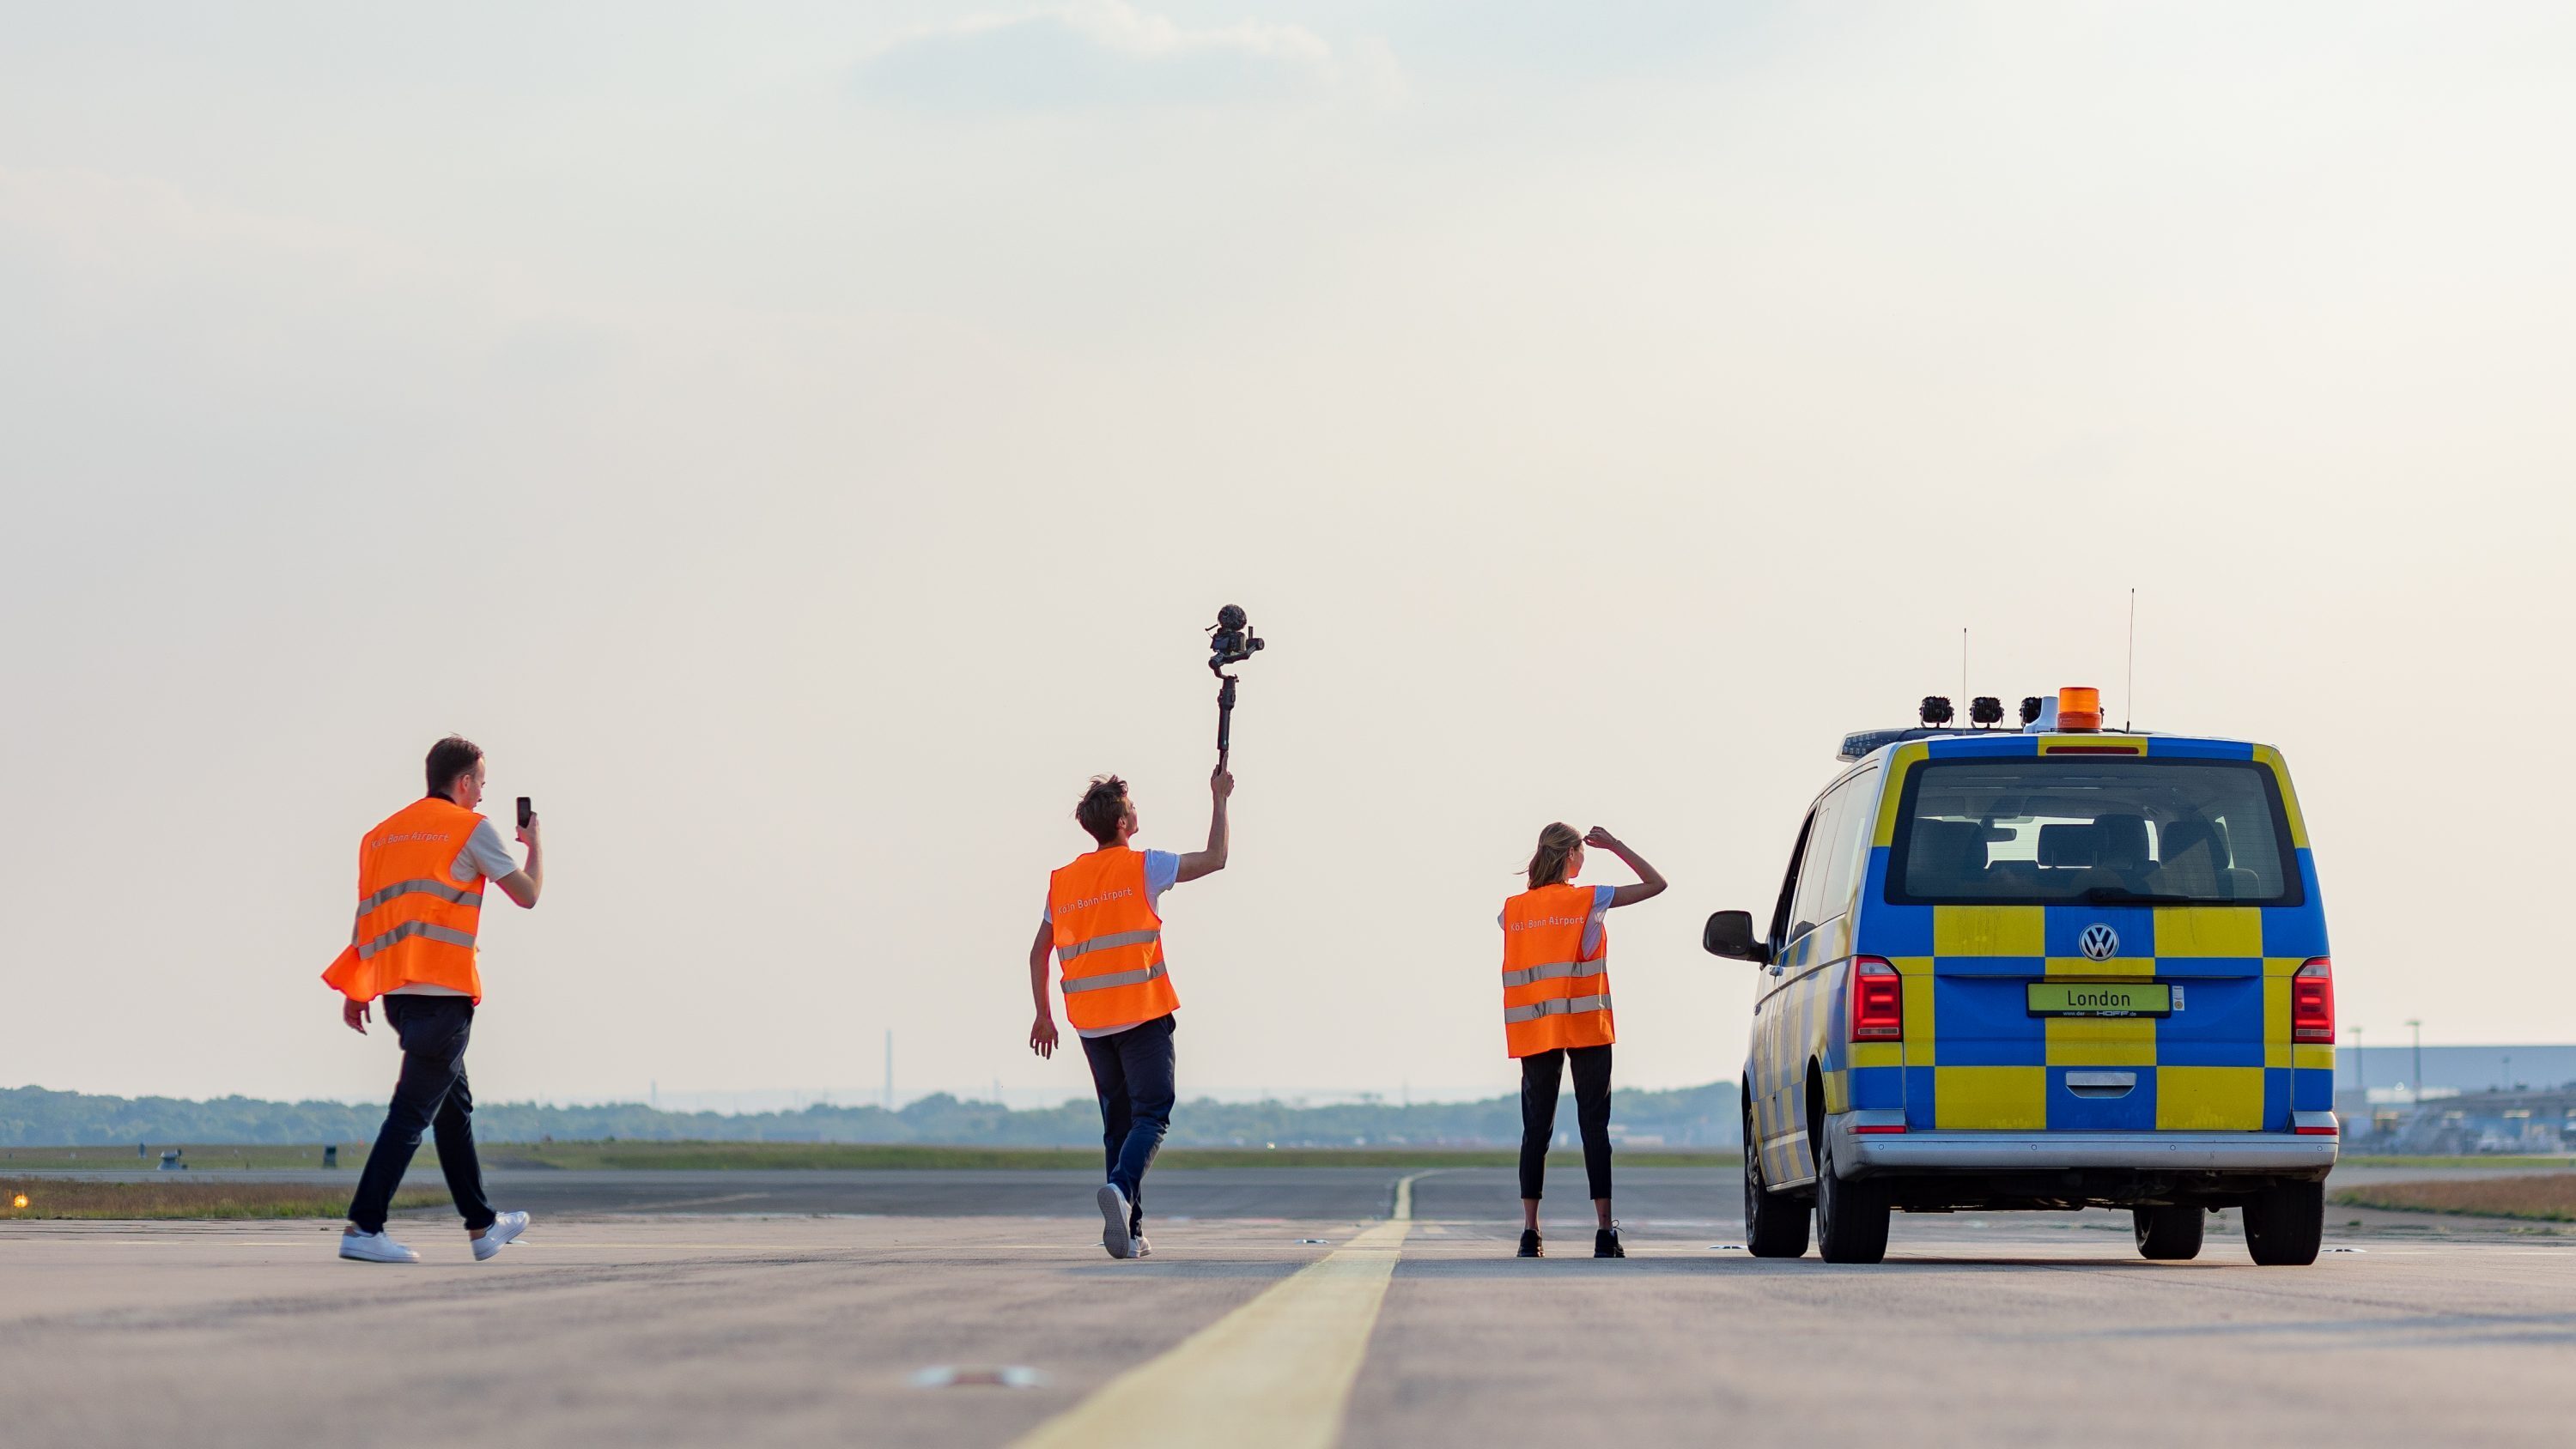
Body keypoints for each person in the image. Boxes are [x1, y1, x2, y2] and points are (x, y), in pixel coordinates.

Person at [322, 736, 544, 1264]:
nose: (483, 797)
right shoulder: (471, 829)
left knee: (453, 1110)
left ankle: (482, 1226)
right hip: (444, 997)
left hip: (400, 996)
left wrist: (359, 987)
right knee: (410, 1114)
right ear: (463, 782)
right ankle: (364, 1227)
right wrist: (535, 844)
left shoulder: (380, 837)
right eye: (482, 785)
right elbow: (528, 895)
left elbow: (371, 916)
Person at [1029, 765, 1232, 1259]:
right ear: (1122, 823)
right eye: (1133, 807)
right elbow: (1216, 858)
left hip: (1091, 1022)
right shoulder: (1145, 866)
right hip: (1140, 1014)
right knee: (1152, 1115)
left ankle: (1131, 1232)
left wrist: (1043, 1015)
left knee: (1117, 1123)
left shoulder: (1064, 881)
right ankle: (1120, 1191)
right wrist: (1220, 798)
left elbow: (1039, 953)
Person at [1500, 823, 1665, 1258]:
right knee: (1595, 1127)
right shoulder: (1589, 899)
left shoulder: (1513, 910)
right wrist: (1615, 845)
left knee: (1535, 1130)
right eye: (1583, 851)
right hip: (1587, 1026)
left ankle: (1530, 1233)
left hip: (1536, 1027)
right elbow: (1656, 883)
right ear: (1574, 853)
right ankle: (1604, 1232)